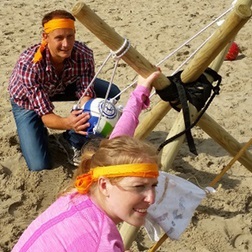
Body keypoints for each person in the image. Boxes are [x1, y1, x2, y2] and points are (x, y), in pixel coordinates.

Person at [12, 71, 161, 252]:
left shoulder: (84, 188)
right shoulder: (101, 243)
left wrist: (140, 93)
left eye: (153, 185)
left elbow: (117, 141)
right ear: (104, 185)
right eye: (138, 186)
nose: (151, 198)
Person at [8, 9, 120, 171]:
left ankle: (71, 139)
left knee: (111, 91)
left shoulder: (84, 54)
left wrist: (85, 118)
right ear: (45, 37)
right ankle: (33, 131)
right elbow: (46, 115)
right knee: (39, 165)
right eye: (59, 38)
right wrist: (67, 122)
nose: (66, 44)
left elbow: (85, 93)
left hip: (64, 85)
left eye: (70, 36)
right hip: (27, 101)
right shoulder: (29, 64)